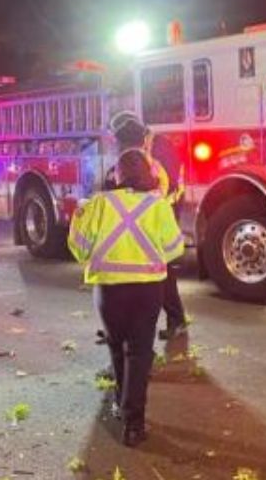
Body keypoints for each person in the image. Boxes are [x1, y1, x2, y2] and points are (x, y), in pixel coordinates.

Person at [70, 149, 184, 447]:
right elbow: (174, 249)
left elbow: (79, 249)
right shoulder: (158, 206)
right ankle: (134, 425)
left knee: (117, 347)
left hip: (109, 290)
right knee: (140, 351)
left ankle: (122, 405)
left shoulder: (98, 204)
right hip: (148, 290)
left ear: (116, 174)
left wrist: (78, 217)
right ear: (148, 173)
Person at [104, 111, 189, 340]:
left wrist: (140, 202)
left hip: (163, 209)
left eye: (118, 139)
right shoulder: (136, 145)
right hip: (148, 209)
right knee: (150, 267)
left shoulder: (160, 148)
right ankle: (123, 324)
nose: (118, 145)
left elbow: (166, 186)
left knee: (163, 267)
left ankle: (176, 320)